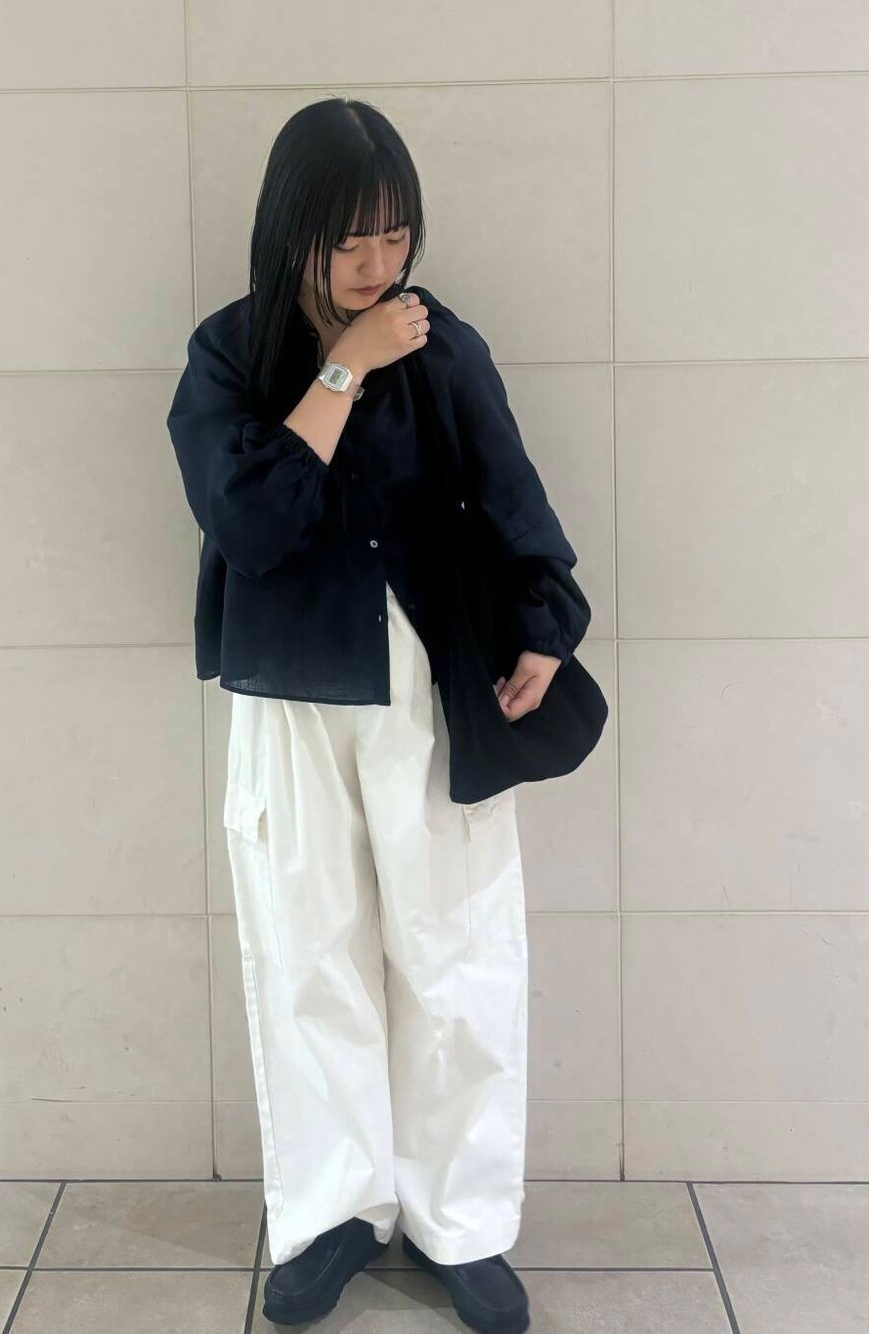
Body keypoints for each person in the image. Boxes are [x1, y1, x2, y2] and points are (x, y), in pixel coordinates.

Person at [166, 95, 590, 1334]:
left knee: (456, 950)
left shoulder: (444, 346)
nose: (376, 262)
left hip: (428, 681)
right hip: (288, 691)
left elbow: (513, 495)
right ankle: (331, 1214)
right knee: (310, 955)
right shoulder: (229, 355)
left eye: (394, 234)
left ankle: (463, 1222)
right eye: (348, 237)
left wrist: (543, 627)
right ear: (292, 230)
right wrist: (347, 363)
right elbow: (251, 523)